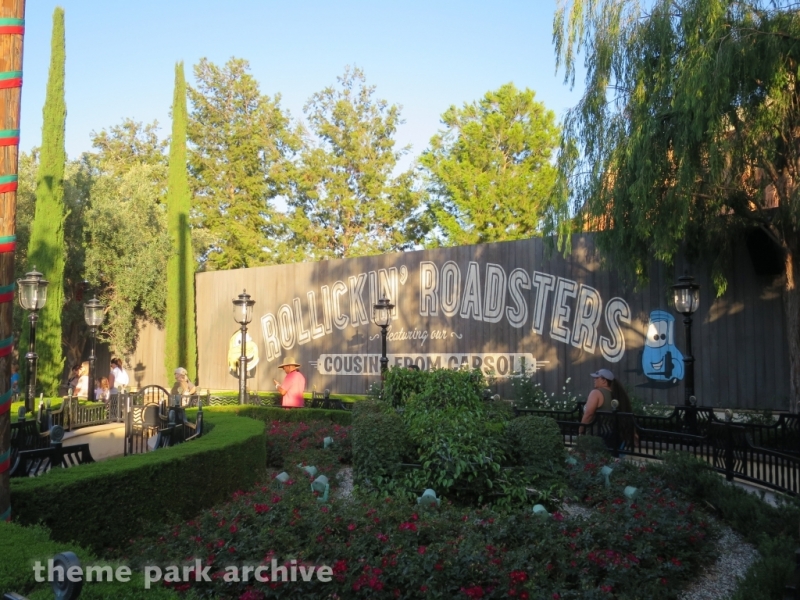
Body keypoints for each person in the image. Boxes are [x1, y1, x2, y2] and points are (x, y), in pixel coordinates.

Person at [580, 368, 636, 446]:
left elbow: (588, 414)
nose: (594, 379)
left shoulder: (596, 393)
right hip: (612, 436)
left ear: (604, 380)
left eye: (597, 378)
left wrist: (580, 431)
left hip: (595, 437)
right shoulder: (617, 395)